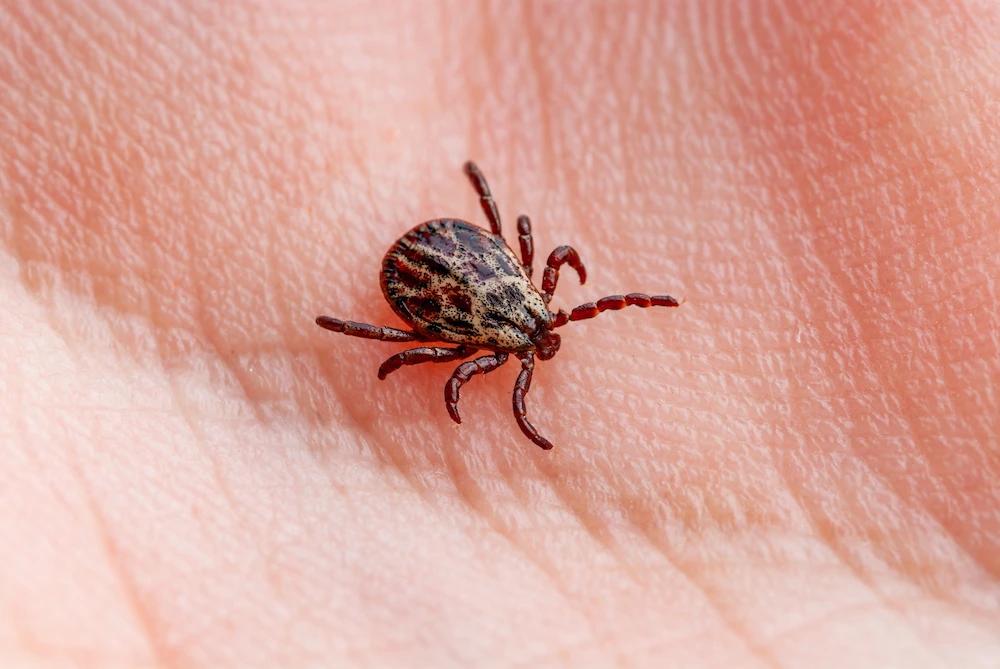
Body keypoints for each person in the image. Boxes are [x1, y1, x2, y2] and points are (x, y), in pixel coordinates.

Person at [2, 1, 997, 667]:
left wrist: (488, 372)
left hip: (431, 254)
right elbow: (463, 360)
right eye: (556, 309)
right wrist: (498, 407)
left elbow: (479, 312)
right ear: (544, 289)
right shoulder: (509, 326)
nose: (545, 330)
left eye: (550, 313)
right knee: (425, 341)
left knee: (431, 337)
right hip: (432, 260)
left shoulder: (509, 313)